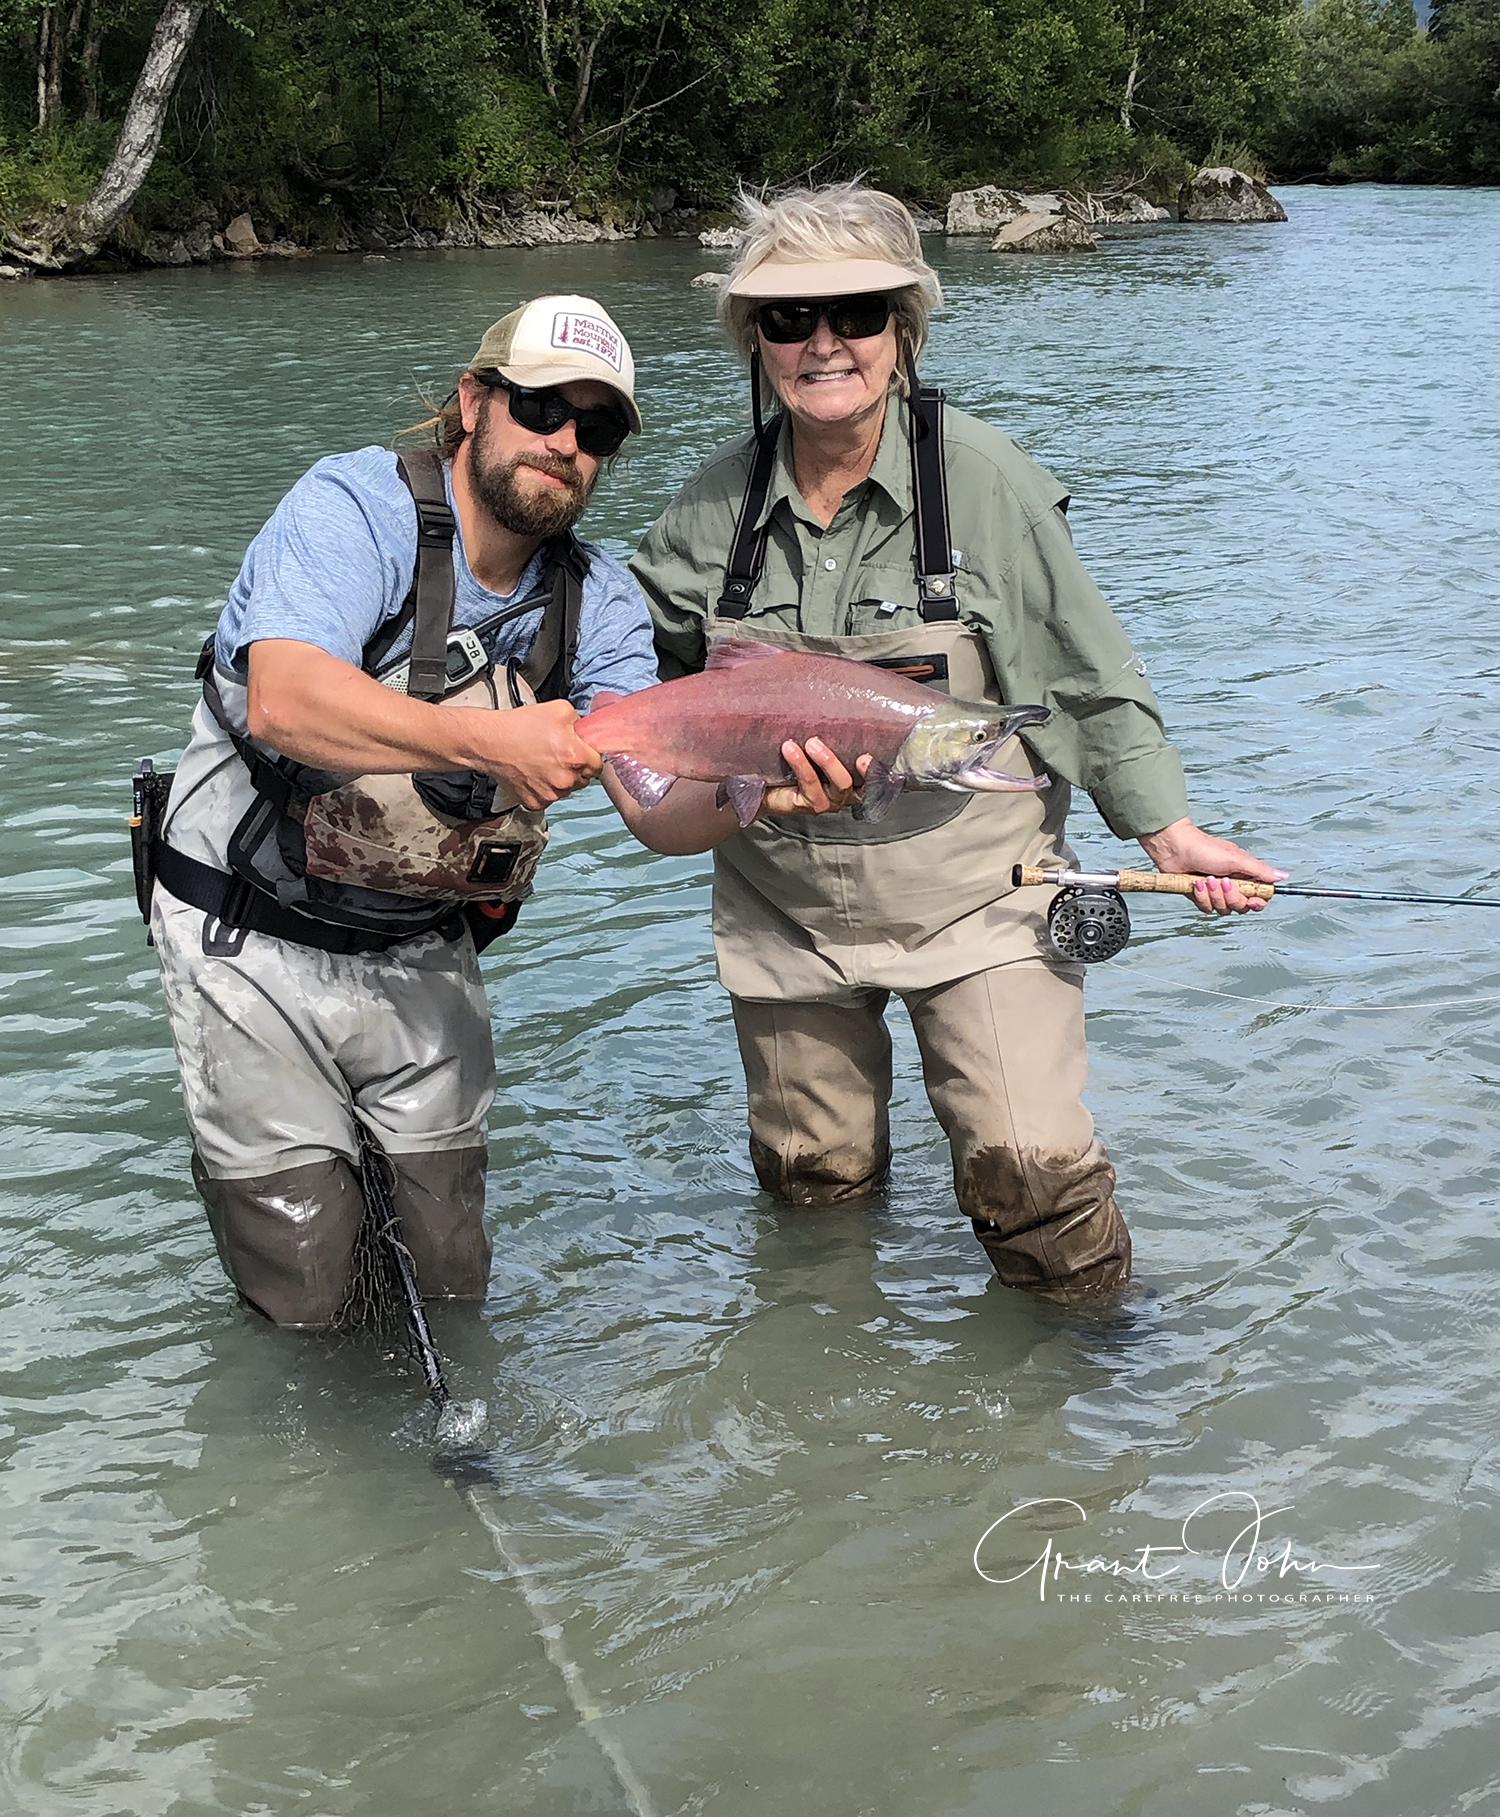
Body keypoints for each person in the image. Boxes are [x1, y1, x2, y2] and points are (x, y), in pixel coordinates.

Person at [623, 182, 1288, 1299]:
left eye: (857, 314)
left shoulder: (988, 483)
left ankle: (1100, 1373)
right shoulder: (703, 512)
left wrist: (1168, 832)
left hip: (985, 903)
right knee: (810, 1194)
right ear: (755, 339)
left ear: (904, 330)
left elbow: (1084, 675)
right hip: (782, 915)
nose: (823, 343)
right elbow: (621, 689)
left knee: (1036, 1182)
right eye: (789, 318)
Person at [147, 295, 665, 1329]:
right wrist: (493, 741)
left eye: (597, 427)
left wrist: (762, 792)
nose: (565, 442)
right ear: (473, 403)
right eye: (541, 407)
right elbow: (285, 699)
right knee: (309, 1292)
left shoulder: (600, 599)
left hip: (425, 948)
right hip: (247, 937)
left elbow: (662, 811)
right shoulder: (352, 508)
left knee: (446, 1280)